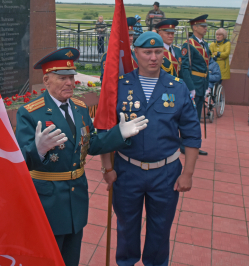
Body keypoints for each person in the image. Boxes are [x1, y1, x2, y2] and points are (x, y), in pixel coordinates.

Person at [15, 47, 148, 266]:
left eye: (71, 77)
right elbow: (21, 159)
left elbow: (92, 144)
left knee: (71, 258)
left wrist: (119, 135)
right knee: (46, 259)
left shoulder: (79, 108)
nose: (69, 83)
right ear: (46, 80)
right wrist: (37, 149)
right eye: (62, 78)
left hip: (76, 197)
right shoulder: (30, 112)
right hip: (48, 201)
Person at [100, 31, 201, 266]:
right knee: (126, 227)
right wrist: (107, 168)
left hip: (165, 173)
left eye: (157, 52)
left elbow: (192, 134)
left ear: (163, 54)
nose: (153, 57)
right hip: (127, 170)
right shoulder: (120, 87)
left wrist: (188, 173)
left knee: (160, 229)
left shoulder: (177, 87)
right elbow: (106, 129)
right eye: (147, 52)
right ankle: (126, 262)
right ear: (136, 54)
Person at [180, 14, 210, 156]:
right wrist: (191, 87)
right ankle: (185, 144)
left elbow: (207, 67)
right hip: (194, 84)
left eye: (205, 26)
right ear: (195, 27)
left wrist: (207, 85)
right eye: (203, 26)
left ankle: (193, 144)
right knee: (190, 117)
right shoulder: (188, 44)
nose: (205, 28)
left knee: (196, 117)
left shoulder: (204, 44)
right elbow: (185, 68)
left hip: (202, 84)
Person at [100, 17, 137, 83]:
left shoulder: (135, 54)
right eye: (128, 35)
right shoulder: (108, 56)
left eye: (132, 35)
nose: (131, 38)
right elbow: (105, 80)